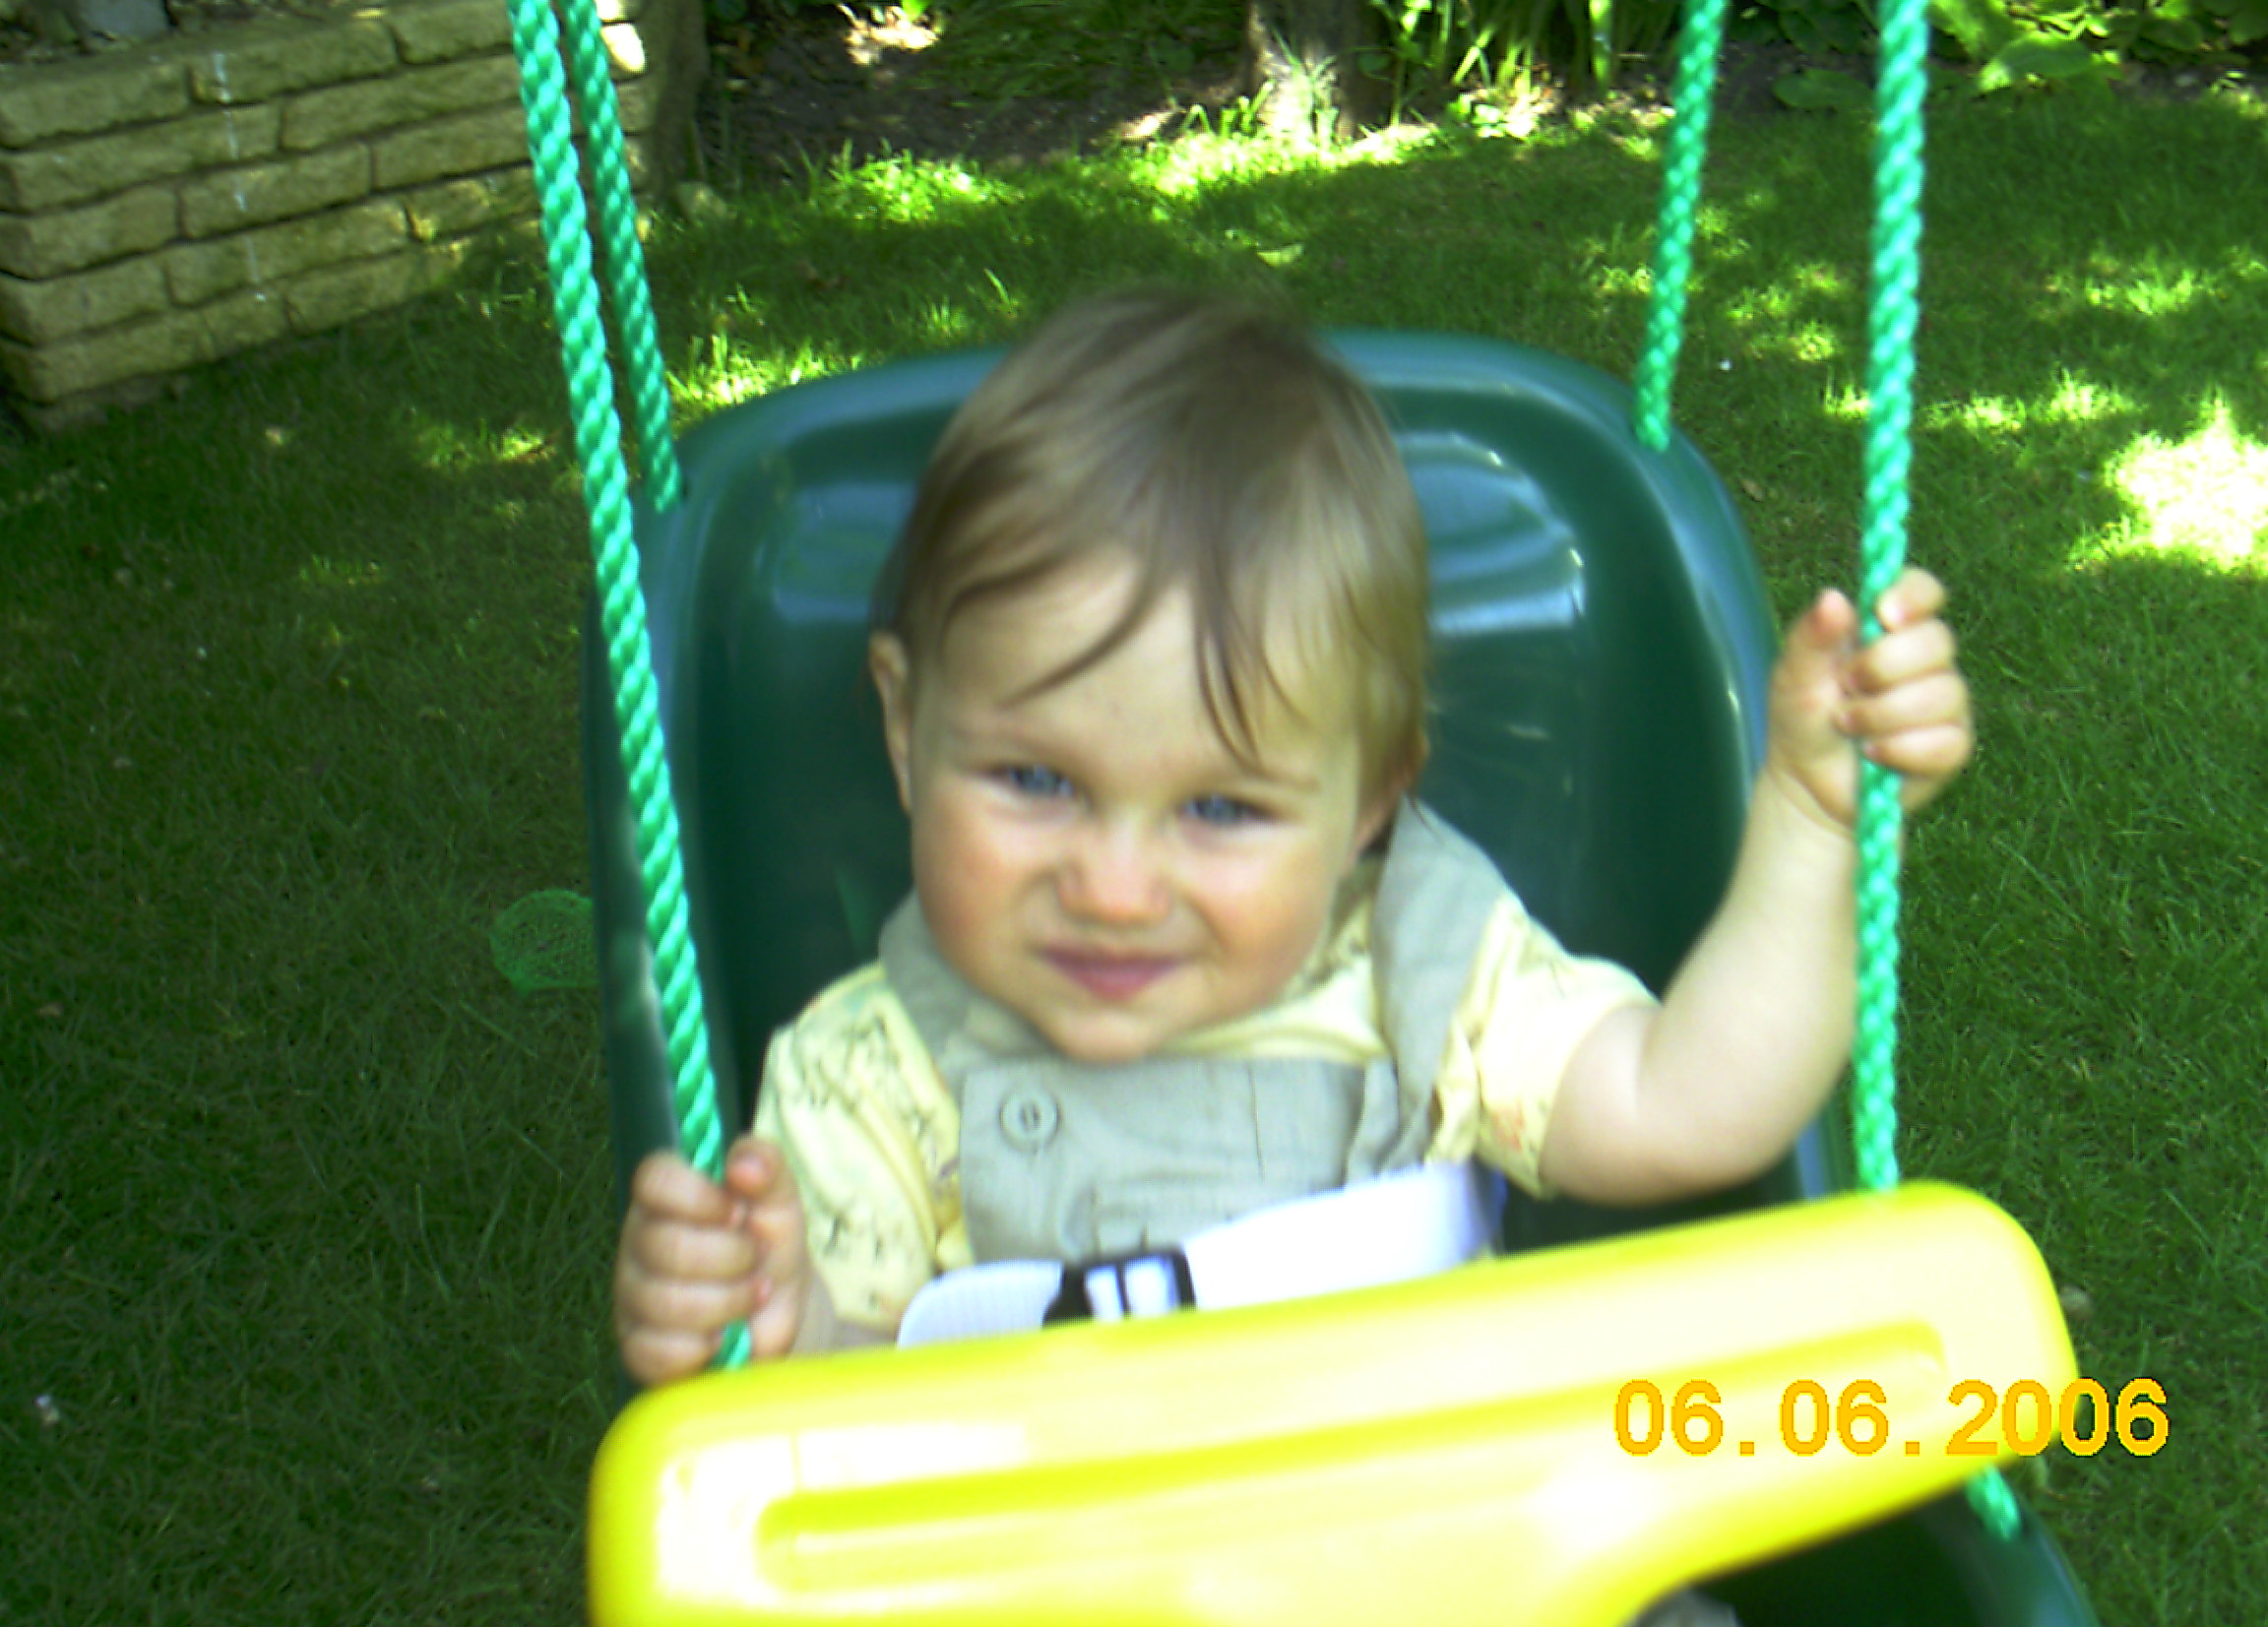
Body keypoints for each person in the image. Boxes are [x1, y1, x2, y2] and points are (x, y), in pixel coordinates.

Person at [612, 286, 1976, 1379]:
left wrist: (1813, 826)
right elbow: (841, 1454)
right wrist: (781, 1322)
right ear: (907, 730)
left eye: (1218, 809)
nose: (1116, 889)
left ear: (1372, 802)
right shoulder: (872, 1079)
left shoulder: (1428, 977)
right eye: (1035, 780)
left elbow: (1692, 1109)